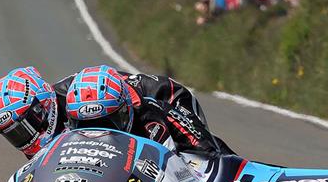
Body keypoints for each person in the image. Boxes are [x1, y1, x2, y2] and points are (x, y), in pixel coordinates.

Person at [63, 65, 229, 156]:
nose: (97, 134)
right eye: (84, 125)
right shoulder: (64, 99)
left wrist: (214, 156)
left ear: (125, 112)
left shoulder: (148, 115)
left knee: (207, 155)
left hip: (169, 97)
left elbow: (172, 165)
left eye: (106, 123)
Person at [0, 67, 62, 158]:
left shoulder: (76, 101)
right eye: (13, 134)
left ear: (42, 105)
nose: (23, 137)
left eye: (27, 126)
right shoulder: (36, 154)